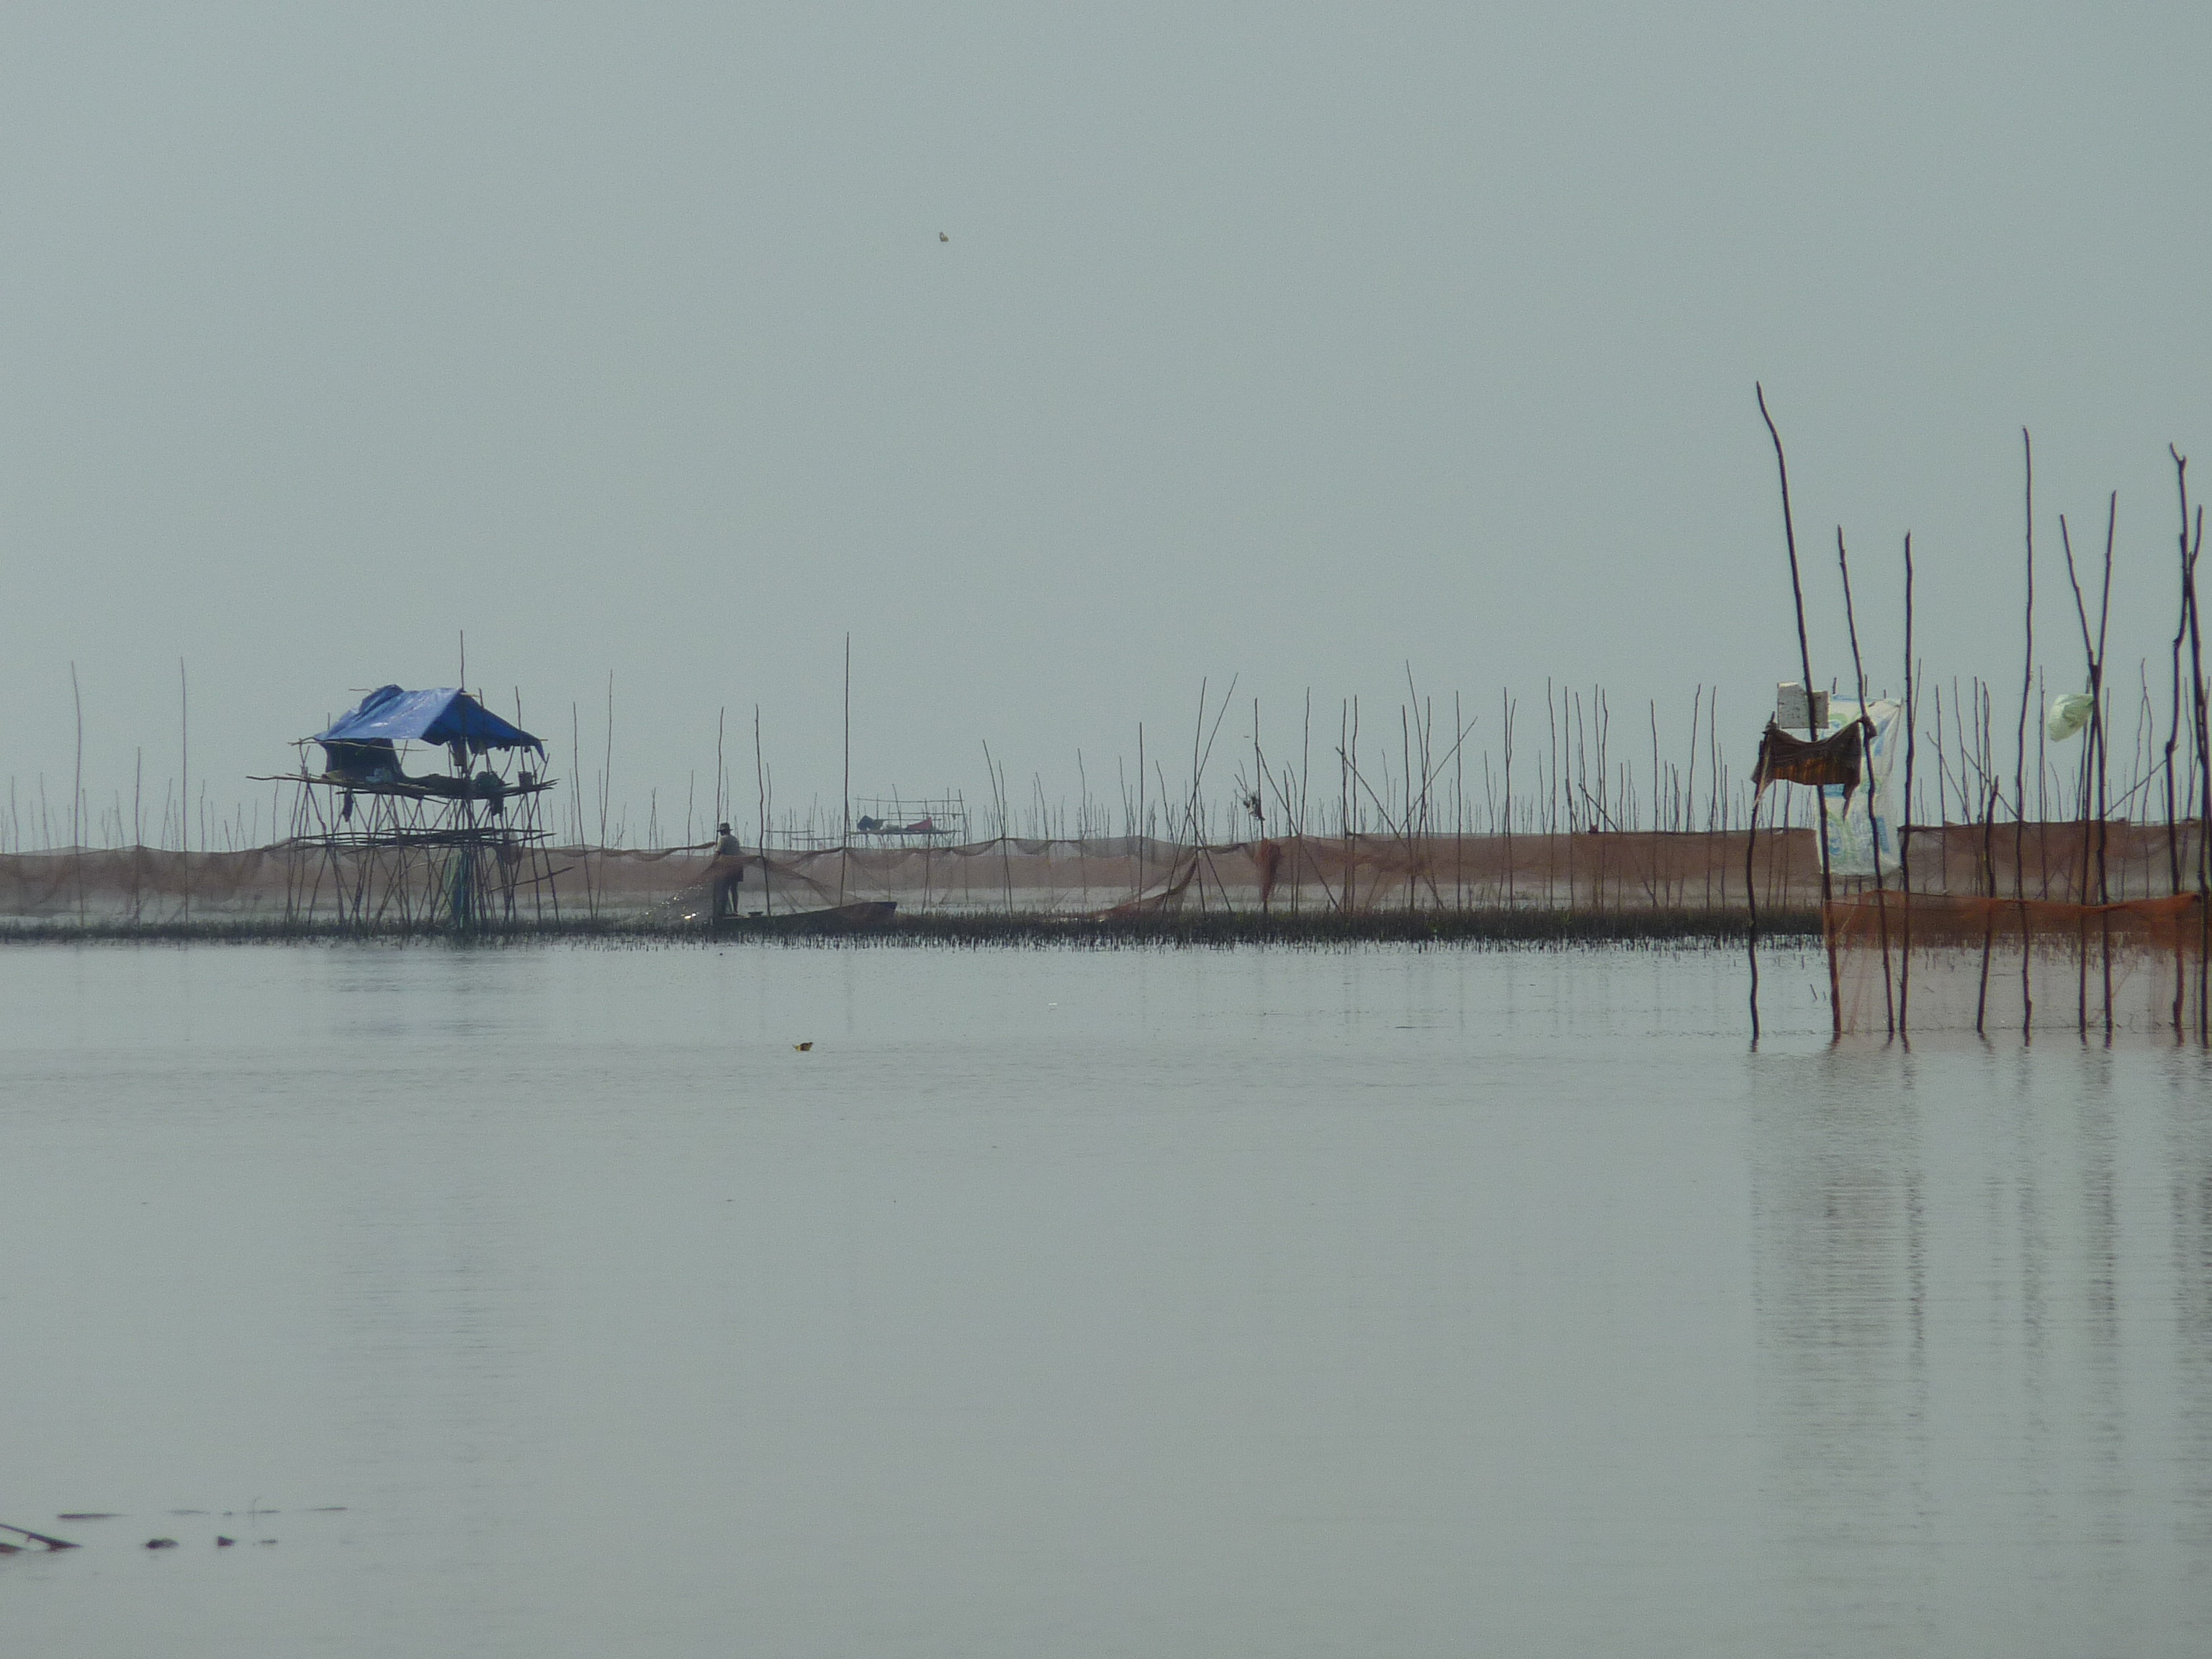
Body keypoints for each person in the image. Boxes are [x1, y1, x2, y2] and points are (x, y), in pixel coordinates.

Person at [711, 821, 747, 920]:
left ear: (722, 832)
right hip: (738, 867)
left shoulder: (723, 839)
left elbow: (718, 853)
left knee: (724, 889)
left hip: (727, 868)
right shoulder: (735, 840)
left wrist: (712, 864)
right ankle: (735, 910)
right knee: (734, 890)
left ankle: (723, 911)